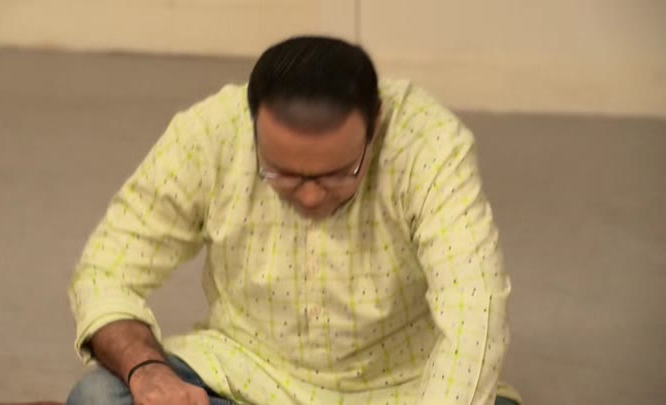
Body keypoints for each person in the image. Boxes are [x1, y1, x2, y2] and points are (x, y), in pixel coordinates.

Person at [66, 36, 519, 405]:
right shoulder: (208, 134)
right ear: (252, 125)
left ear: (375, 123)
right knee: (98, 397)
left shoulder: (428, 144)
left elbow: (474, 308)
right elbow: (106, 272)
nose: (309, 196)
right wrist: (148, 370)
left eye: (337, 174)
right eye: (282, 173)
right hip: (244, 378)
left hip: (401, 389)